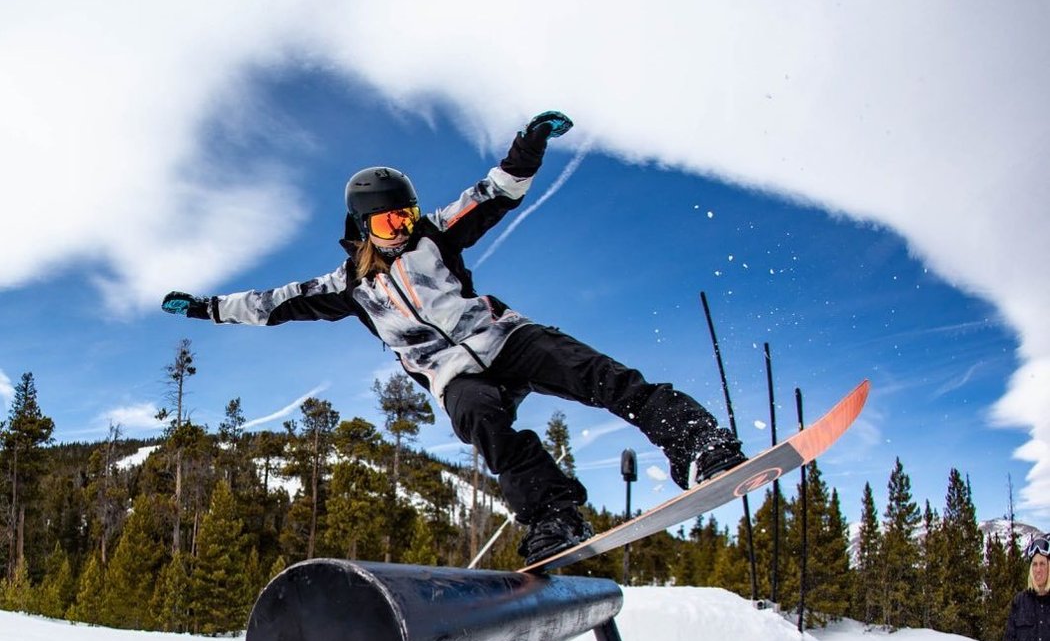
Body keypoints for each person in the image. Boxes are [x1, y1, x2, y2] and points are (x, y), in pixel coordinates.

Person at [162, 111, 744, 564]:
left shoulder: (436, 237)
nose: (402, 230)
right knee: (483, 423)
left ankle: (697, 445)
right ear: (362, 227)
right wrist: (206, 309)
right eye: (389, 223)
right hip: (453, 372)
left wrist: (530, 144)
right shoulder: (346, 285)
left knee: (599, 376)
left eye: (407, 217)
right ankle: (553, 515)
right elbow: (270, 305)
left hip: (501, 337)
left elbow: (494, 192)